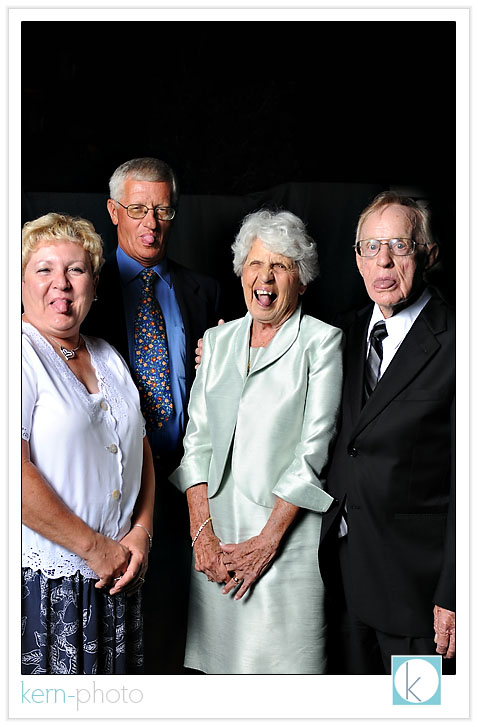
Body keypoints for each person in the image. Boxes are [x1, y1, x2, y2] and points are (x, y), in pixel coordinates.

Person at [170, 209, 344, 674]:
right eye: (255, 264)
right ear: (241, 272)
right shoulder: (218, 340)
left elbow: (314, 452)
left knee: (285, 681)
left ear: (301, 281)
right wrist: (201, 533)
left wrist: (267, 542)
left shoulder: (322, 342)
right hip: (216, 538)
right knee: (219, 681)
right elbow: (197, 441)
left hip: (286, 542)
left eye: (281, 266)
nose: (265, 277)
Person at [82, 157, 222, 673]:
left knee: (187, 628)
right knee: (118, 631)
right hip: (111, 485)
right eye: (138, 209)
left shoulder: (203, 292)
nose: (151, 223)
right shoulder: (82, 292)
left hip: (191, 479)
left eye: (163, 210)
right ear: (113, 211)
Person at [319, 191, 455, 675]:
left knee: (416, 711)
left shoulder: (457, 342)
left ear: (428, 254)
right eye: (370, 247)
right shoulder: (342, 334)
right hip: (345, 576)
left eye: (398, 245)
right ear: (356, 260)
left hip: (418, 591)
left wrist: (455, 590)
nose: (383, 261)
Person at [21, 213, 155, 675]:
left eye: (76, 270)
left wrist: (141, 532)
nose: (61, 283)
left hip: (119, 574)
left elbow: (140, 448)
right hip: (46, 582)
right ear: (18, 282)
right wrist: (94, 549)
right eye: (44, 269)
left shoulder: (107, 355)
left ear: (94, 286)